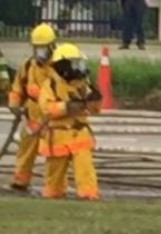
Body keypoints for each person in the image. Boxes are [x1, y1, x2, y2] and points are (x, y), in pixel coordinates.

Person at [37, 43, 102, 200]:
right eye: (75, 63)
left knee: (84, 166)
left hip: (79, 133)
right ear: (64, 66)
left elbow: (94, 109)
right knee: (55, 170)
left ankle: (88, 194)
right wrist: (66, 106)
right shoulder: (51, 85)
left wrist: (96, 100)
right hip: (58, 134)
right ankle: (53, 193)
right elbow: (47, 108)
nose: (79, 67)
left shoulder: (82, 85)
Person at [7, 24, 57, 192]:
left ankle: (53, 187)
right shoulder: (28, 65)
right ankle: (20, 180)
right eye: (37, 47)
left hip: (53, 118)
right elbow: (17, 88)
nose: (39, 51)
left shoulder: (60, 66)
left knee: (54, 154)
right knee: (26, 149)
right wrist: (14, 104)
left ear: (52, 45)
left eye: (42, 47)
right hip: (33, 116)